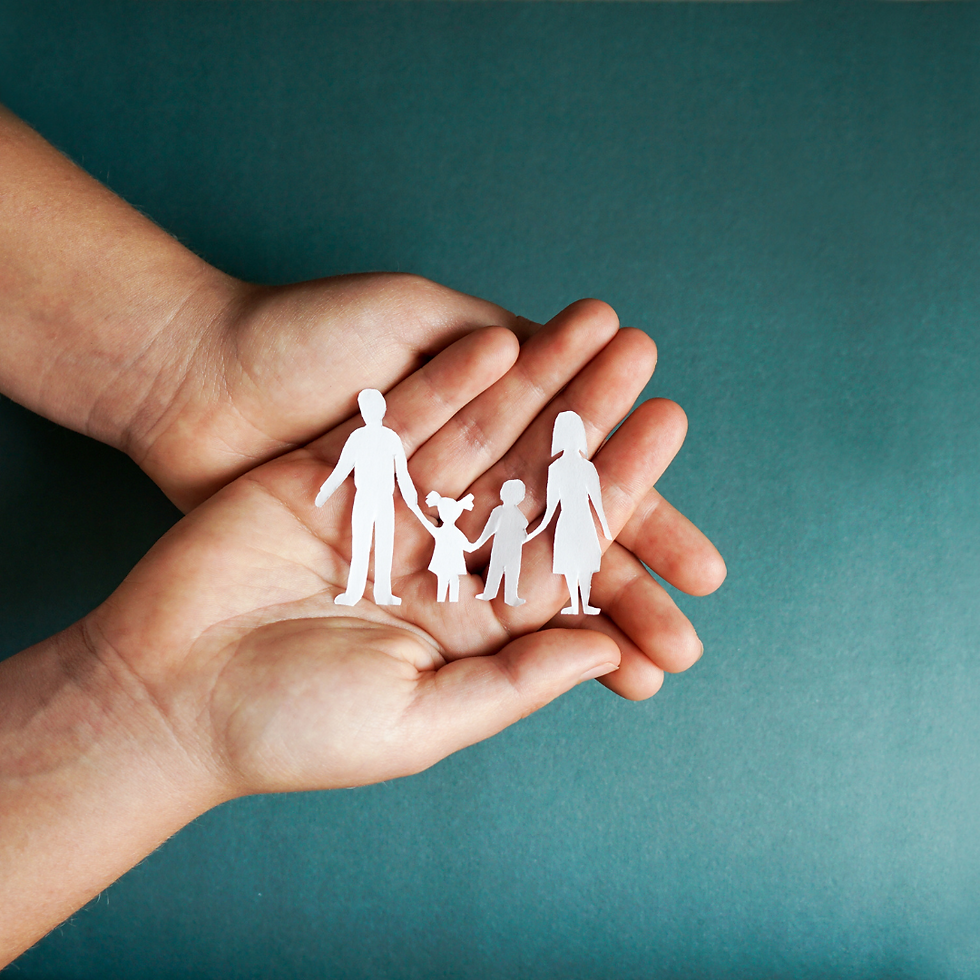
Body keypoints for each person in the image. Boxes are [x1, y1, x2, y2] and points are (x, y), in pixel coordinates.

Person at [0, 102, 727, 965]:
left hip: (411, 527)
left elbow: (424, 498)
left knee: (507, 559)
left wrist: (188, 362)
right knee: (404, 557)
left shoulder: (470, 472)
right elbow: (355, 480)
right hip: (388, 527)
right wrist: (149, 718)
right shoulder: (380, 454)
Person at [315, 388, 424, 606]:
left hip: (384, 499)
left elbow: (402, 472)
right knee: (362, 545)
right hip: (365, 497)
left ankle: (382, 594)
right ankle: (353, 594)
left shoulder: (389, 437)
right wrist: (324, 492)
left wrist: (411, 497)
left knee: (383, 545)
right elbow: (342, 468)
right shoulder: (360, 437)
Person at [526, 411, 612, 616]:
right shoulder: (555, 468)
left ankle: (583, 602)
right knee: (572, 563)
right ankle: (575, 603)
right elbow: (552, 505)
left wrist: (605, 528)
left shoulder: (586, 468)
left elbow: (597, 502)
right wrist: (535, 530)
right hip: (568, 520)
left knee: (586, 563)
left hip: (582, 519)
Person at [472, 479, 530, 607]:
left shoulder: (516, 513)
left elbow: (523, 528)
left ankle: (511, 597)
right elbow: (489, 529)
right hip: (501, 547)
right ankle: (489, 593)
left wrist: (523, 535)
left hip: (514, 549)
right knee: (496, 570)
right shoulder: (498, 511)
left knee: (512, 573)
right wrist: (478, 543)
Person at [421, 490, 476, 602]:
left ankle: (444, 600)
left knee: (445, 581)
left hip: (444, 563)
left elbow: (424, 522)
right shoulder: (455, 533)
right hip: (452, 563)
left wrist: (415, 509)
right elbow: (469, 548)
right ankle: (448, 600)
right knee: (453, 581)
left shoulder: (441, 532)